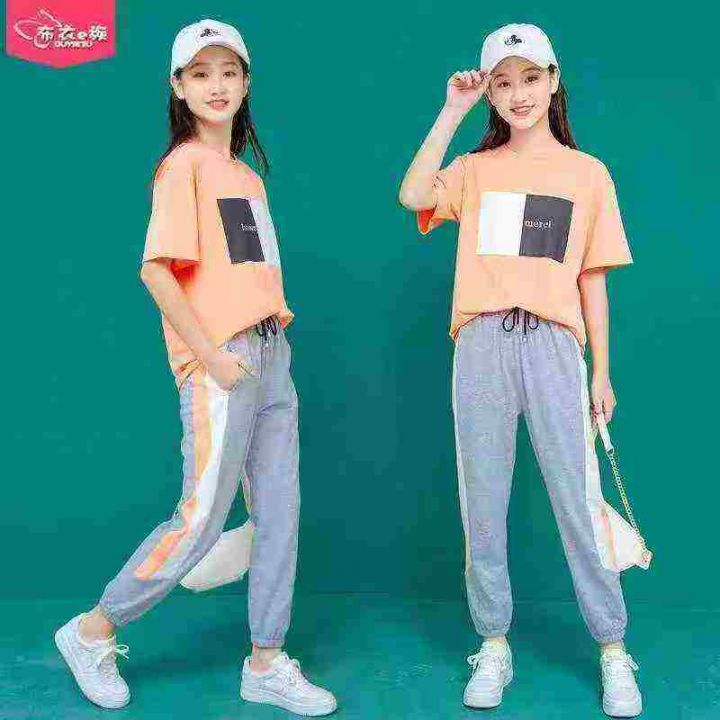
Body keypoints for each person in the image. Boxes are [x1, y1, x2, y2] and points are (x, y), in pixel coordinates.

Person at [54, 18, 337, 717]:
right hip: (224, 357)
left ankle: (266, 662)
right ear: (178, 87)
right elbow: (157, 271)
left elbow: (245, 270)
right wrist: (212, 357)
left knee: (279, 516)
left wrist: (268, 348)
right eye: (201, 74)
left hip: (272, 355)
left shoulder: (245, 177)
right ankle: (93, 630)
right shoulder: (182, 166)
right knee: (202, 515)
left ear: (246, 82)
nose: (217, 86)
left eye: (228, 72)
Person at [399, 22, 642, 718]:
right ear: (490, 95)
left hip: (556, 347)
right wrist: (452, 109)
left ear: (553, 80)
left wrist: (601, 370)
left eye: (530, 78)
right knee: (482, 498)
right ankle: (493, 642)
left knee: (578, 498)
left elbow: (593, 276)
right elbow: (413, 195)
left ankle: (613, 647)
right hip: (481, 343)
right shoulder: (475, 170)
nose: (518, 94)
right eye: (502, 83)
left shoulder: (588, 174)